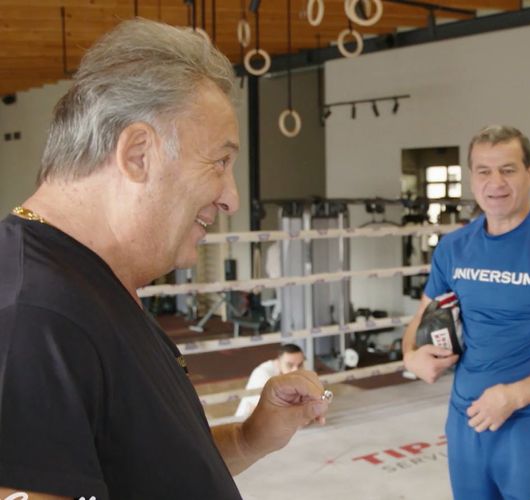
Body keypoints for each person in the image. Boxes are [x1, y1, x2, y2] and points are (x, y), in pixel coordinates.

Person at [0, 19, 329, 500]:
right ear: (138, 154)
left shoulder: (93, 282)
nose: (232, 198)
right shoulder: (32, 317)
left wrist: (247, 437)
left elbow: (147, 467)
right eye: (219, 161)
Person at [402, 125, 530, 500]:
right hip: (465, 423)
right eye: (484, 170)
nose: (495, 182)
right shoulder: (453, 249)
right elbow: (420, 321)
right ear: (471, 178)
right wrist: (410, 355)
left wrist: (514, 396)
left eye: (508, 169)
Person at [236, 344, 306, 418]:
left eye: (300, 365)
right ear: (278, 362)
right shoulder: (263, 374)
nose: (295, 370)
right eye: (290, 365)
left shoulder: (296, 370)